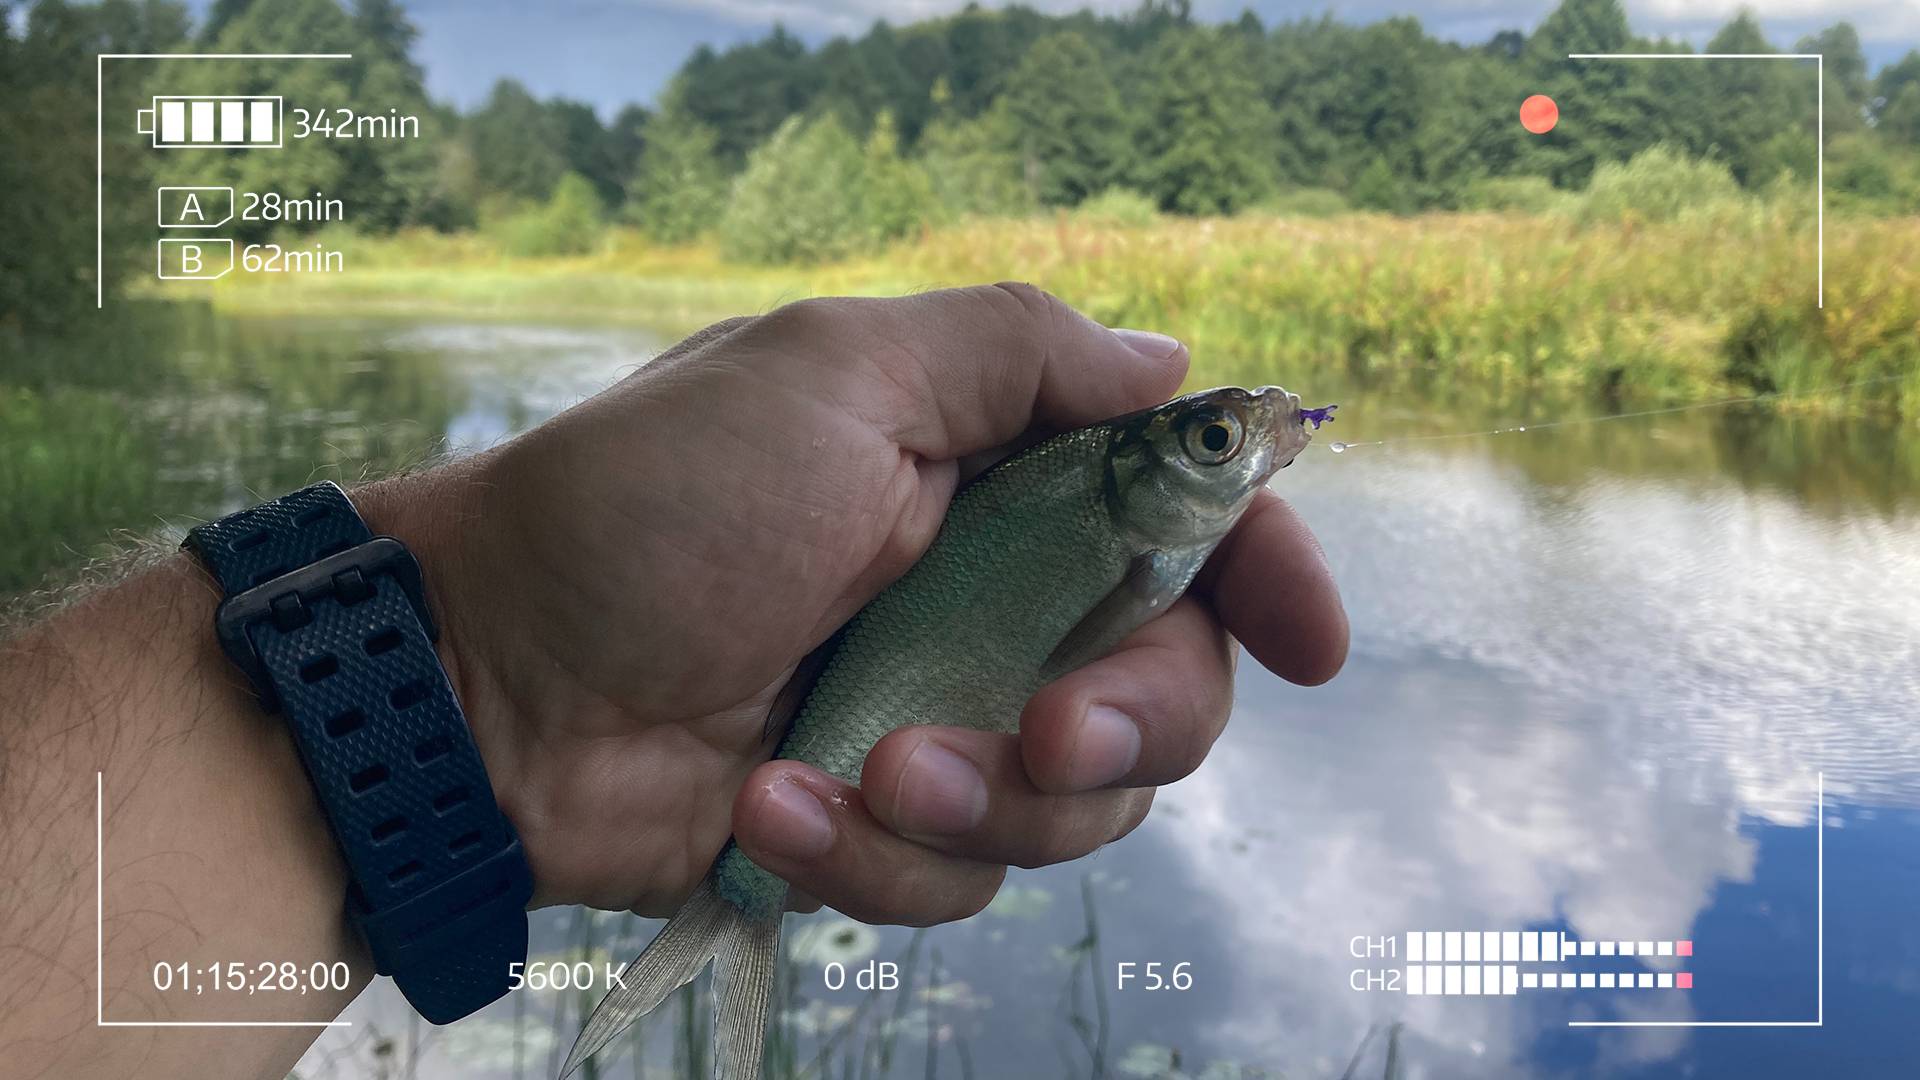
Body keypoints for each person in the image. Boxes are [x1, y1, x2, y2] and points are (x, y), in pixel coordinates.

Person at [0, 285, 1346, 1079]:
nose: (1248, 442)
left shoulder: (1140, 530)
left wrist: (468, 672)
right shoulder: (1114, 495)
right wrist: (476, 654)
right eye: (1219, 435)